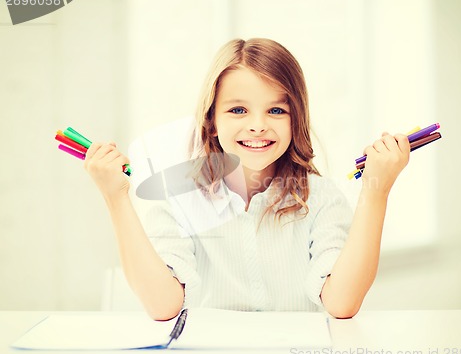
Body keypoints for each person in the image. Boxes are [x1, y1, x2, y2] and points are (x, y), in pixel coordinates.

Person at [84, 38, 410, 321]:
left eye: (277, 111)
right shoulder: (177, 195)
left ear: (297, 119)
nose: (257, 125)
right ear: (210, 120)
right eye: (238, 110)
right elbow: (162, 305)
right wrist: (116, 198)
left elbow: (342, 303)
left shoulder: (322, 197)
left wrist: (376, 190)